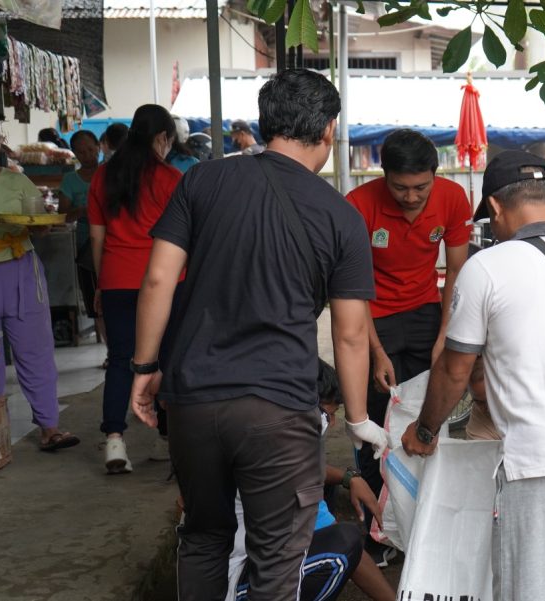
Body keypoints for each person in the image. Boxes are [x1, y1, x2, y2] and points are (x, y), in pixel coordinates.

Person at [130, 69, 384, 600]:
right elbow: (351, 333)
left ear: (266, 122)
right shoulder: (341, 216)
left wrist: (145, 367)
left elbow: (157, 279)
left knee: (203, 538)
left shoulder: (201, 180)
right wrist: (359, 420)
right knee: (278, 557)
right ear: (329, 130)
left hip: (193, 398)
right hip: (279, 406)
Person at [401, 150, 545, 601]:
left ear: (494, 206)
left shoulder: (486, 268)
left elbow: (455, 368)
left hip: (540, 462)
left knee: (530, 591)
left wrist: (425, 430)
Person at [345, 128, 472, 528]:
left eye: (421, 187)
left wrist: (444, 335)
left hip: (425, 312)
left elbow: (456, 271)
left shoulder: (452, 197)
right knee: (374, 414)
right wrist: (376, 351)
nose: (412, 197)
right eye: (401, 188)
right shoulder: (358, 205)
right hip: (373, 316)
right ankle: (377, 522)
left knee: (428, 408)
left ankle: (424, 513)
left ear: (435, 174)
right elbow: (354, 286)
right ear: (384, 176)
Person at [224, 361, 396, 601]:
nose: (332, 424)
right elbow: (336, 536)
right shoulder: (288, 466)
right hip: (239, 582)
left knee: (328, 500)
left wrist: (348, 478)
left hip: (224, 568)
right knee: (343, 546)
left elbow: (314, 470)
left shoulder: (258, 430)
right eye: (329, 414)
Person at [89, 105, 183, 473]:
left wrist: (102, 283)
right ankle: (166, 436)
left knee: (120, 359)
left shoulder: (103, 175)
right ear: (161, 138)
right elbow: (184, 239)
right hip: (165, 281)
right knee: (167, 357)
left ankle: (114, 440)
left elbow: (97, 237)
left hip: (116, 279)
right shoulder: (170, 178)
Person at [0, 113, 79, 452]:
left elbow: (39, 223)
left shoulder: (16, 181)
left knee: (36, 351)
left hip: (21, 271)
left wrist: (41, 225)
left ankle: (50, 427)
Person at [57, 130, 106, 362]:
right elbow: (63, 215)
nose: (87, 155)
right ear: (74, 153)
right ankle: (110, 351)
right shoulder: (70, 180)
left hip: (114, 244)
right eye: (81, 151)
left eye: (91, 149)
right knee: (96, 300)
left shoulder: (110, 173)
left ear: (99, 147)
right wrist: (84, 210)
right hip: (86, 246)